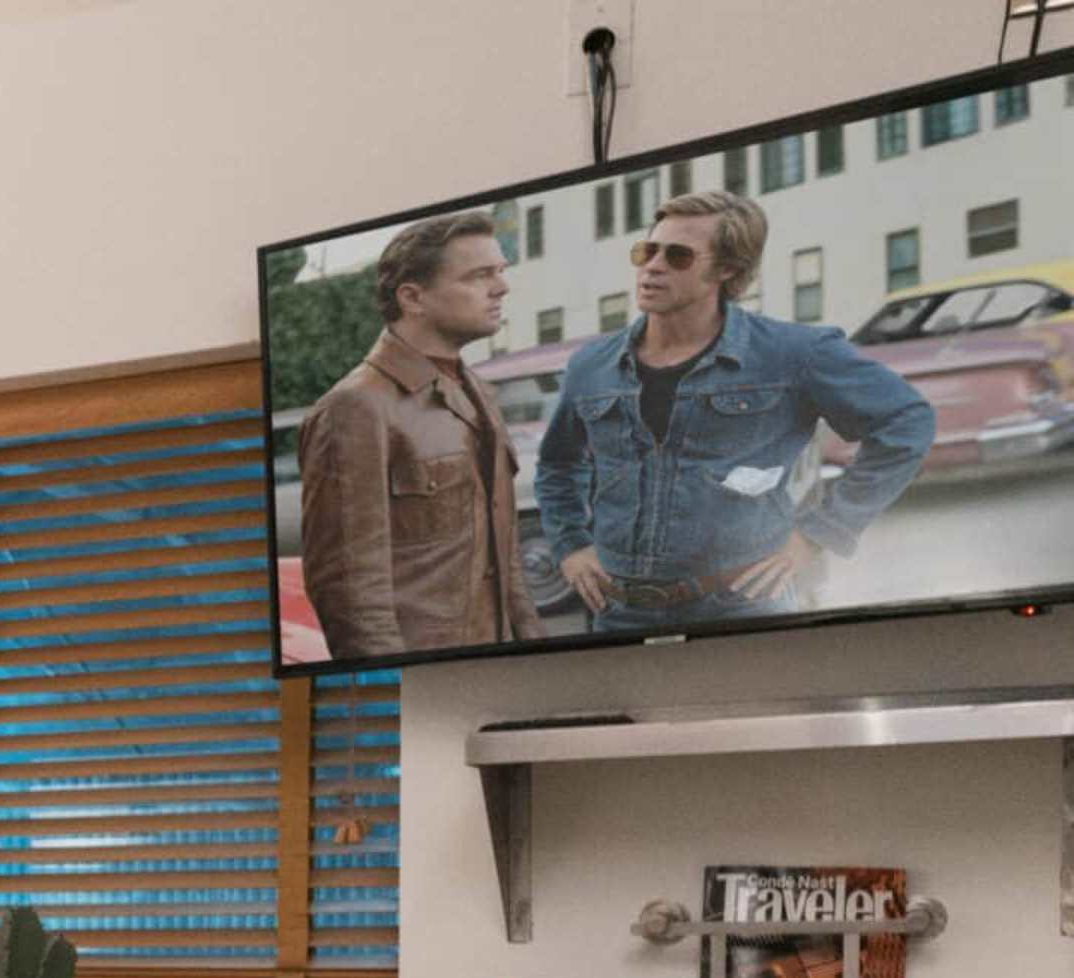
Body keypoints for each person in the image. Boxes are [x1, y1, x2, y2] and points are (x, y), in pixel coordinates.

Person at [534, 190, 934, 636]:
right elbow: (558, 463)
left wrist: (818, 535)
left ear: (727, 269)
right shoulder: (591, 365)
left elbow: (908, 423)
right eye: (647, 250)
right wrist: (570, 546)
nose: (653, 266)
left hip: (744, 608)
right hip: (619, 613)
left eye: (678, 256)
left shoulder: (794, 353)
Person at [298, 212, 541, 660]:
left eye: (500, 272)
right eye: (479, 275)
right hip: (431, 693)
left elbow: (505, 566)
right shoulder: (356, 407)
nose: (501, 287)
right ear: (412, 297)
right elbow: (351, 593)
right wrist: (398, 693)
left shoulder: (479, 394)